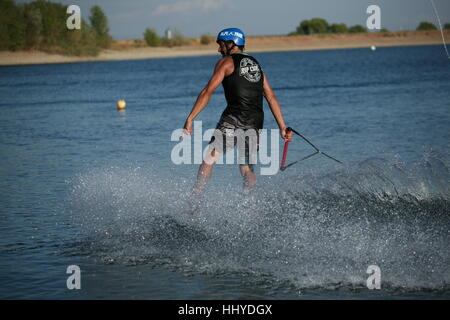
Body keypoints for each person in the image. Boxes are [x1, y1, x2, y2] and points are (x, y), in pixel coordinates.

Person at [182, 27, 292, 197]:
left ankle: (194, 201)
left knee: (210, 158)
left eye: (221, 44)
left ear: (231, 44)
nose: (219, 49)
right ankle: (250, 204)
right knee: (246, 167)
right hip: (255, 121)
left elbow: (207, 92)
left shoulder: (226, 62)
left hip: (234, 118)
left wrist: (190, 119)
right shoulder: (255, 64)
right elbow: (270, 96)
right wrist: (282, 127)